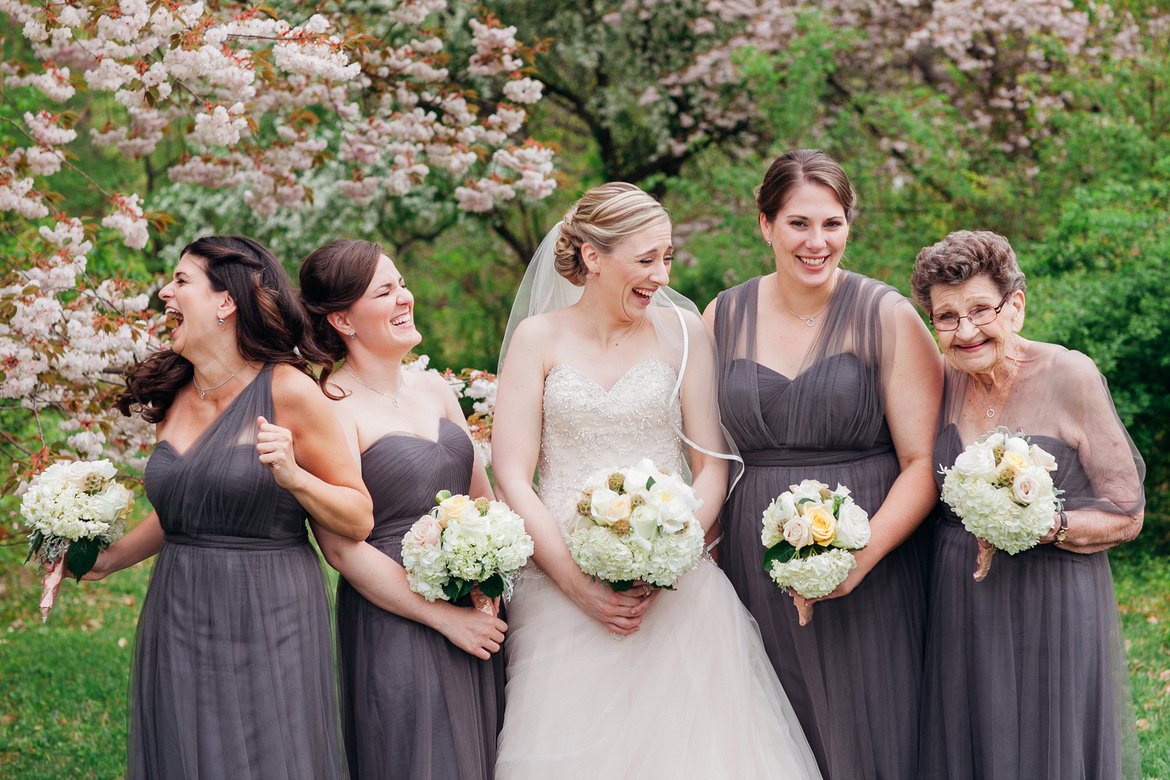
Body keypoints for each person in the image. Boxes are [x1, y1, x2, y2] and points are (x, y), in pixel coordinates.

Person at [491, 182, 821, 779]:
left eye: (666, 257)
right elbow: (512, 474)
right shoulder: (537, 339)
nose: (660, 275)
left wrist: (670, 555)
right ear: (593, 257)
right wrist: (574, 582)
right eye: (645, 260)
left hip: (677, 589)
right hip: (559, 586)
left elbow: (711, 465)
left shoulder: (684, 332)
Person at [83, 235, 373, 778]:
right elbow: (186, 511)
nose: (165, 291)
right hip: (178, 607)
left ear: (225, 303)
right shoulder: (175, 394)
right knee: (185, 751)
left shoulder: (288, 391)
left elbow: (358, 515)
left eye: (181, 281)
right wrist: (105, 559)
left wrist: (294, 477)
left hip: (268, 612)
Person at [703, 148, 943, 779]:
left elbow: (922, 462)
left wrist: (857, 561)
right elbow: (702, 451)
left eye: (831, 223)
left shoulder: (886, 315)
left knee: (870, 723)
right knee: (776, 729)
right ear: (765, 224)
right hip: (756, 559)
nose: (817, 241)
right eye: (798, 224)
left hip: (871, 554)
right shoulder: (721, 317)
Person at [910, 229, 1144, 779]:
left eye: (979, 310)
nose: (965, 331)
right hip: (961, 599)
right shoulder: (941, 379)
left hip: (1052, 600)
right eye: (946, 316)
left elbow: (1128, 514)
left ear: (1015, 306)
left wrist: (1043, 523)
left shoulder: (1070, 374)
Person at [297, 238, 507, 780]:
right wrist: (444, 618)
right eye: (385, 291)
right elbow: (342, 548)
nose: (404, 298)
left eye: (403, 284)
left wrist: (491, 585)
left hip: (478, 606)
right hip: (397, 616)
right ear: (343, 319)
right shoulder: (328, 405)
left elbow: (482, 499)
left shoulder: (434, 386)